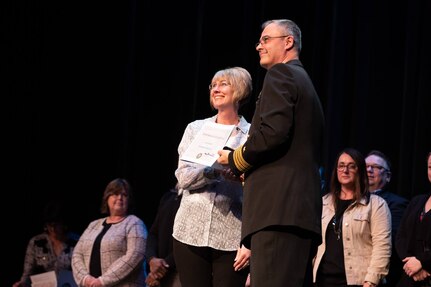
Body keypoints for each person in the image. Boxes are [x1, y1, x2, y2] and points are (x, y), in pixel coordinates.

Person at [217, 19, 325, 287]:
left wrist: (235, 159)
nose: (258, 46)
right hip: (295, 212)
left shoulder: (282, 74)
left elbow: (272, 133)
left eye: (266, 39)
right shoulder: (305, 82)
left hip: (278, 212)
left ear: (288, 42)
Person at [173, 66, 252, 287]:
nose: (216, 89)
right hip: (189, 231)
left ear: (239, 90)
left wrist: (251, 242)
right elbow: (184, 178)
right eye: (213, 85)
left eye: (223, 84)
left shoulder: (252, 135)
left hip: (232, 236)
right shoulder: (195, 129)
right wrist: (214, 170)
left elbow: (258, 189)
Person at [313, 148, 392, 287]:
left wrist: (370, 282)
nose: (345, 170)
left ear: (360, 170)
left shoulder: (376, 205)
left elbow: (382, 248)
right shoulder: (324, 202)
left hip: (357, 281)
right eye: (341, 165)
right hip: (322, 281)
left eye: (351, 166)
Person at [72, 178, 147, 287]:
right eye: (115, 194)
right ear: (107, 198)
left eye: (124, 195)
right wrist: (85, 279)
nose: (120, 198)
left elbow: (135, 255)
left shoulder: (135, 223)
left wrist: (102, 281)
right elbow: (77, 254)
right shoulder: (93, 225)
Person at [366, 150, 409, 286]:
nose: (369, 170)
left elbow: (390, 239)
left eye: (376, 167)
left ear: (388, 176)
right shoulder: (348, 199)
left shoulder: (397, 204)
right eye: (365, 166)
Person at [13, 200, 78, 287]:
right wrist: (22, 284)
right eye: (49, 225)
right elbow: (27, 274)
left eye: (56, 224)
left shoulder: (76, 241)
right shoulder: (37, 242)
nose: (52, 229)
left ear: (63, 223)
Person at [395, 152, 431, 287]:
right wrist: (411, 264)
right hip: (410, 277)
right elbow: (401, 237)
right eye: (430, 167)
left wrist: (423, 263)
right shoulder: (417, 201)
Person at [145, 185, 182, 287]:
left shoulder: (194, 199)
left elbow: (189, 240)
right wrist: (151, 259)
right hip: (159, 273)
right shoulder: (168, 197)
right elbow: (153, 233)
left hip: (179, 271)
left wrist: (163, 266)